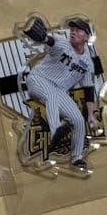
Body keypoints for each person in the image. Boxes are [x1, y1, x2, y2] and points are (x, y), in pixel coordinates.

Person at [22, 17, 98, 172]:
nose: (73, 32)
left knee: (78, 119)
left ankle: (77, 158)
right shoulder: (63, 42)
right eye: (72, 29)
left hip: (58, 90)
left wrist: (91, 115)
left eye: (78, 30)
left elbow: (89, 91)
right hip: (38, 80)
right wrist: (44, 38)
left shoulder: (87, 63)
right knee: (51, 96)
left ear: (87, 36)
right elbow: (50, 41)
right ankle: (56, 131)